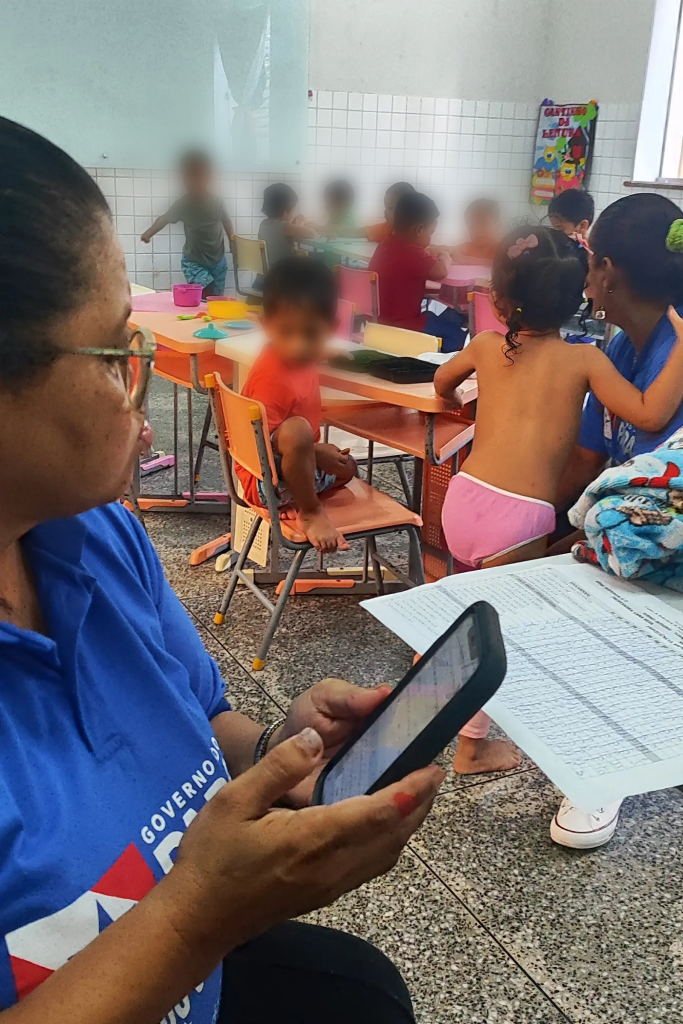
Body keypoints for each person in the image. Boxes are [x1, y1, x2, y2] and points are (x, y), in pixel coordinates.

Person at [0, 116, 445, 1024]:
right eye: (115, 354)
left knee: (362, 996)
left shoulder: (96, 536)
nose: (140, 387)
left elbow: (201, 717)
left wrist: (283, 751)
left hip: (197, 969)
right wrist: (196, 917)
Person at [434, 224, 683, 774]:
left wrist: (455, 398)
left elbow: (442, 382)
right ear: (578, 301)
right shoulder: (584, 361)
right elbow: (650, 414)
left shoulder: (484, 346)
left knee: (464, 607)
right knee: (496, 631)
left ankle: (424, 694)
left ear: (498, 297)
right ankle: (471, 747)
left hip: (463, 499)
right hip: (518, 519)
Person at [549, 192, 683, 848]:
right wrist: (532, 525)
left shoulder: (674, 359)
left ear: (607, 271)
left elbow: (660, 505)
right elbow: (587, 459)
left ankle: (606, 764)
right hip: (632, 530)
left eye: (589, 260)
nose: (584, 275)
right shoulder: (623, 348)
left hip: (666, 538)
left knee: (611, 596)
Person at [234, 258, 357, 553]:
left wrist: (323, 352)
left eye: (311, 334)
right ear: (266, 326)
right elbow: (257, 444)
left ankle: (299, 493)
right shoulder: (272, 376)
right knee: (297, 431)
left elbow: (302, 345)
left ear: (331, 328)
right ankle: (311, 512)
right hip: (264, 478)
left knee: (349, 467)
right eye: (286, 332)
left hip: (292, 466)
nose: (298, 346)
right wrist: (316, 452)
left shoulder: (298, 353)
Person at [369, 191, 466, 351]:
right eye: (431, 232)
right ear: (419, 230)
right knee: (457, 335)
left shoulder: (385, 245)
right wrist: (445, 255)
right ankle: (437, 362)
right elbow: (441, 271)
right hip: (404, 325)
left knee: (437, 317)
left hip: (379, 323)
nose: (431, 238)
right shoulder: (411, 252)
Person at [140, 150, 233, 296]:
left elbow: (226, 221)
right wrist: (148, 233)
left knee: (216, 297)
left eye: (197, 175)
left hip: (218, 260)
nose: (192, 180)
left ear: (208, 177)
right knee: (204, 291)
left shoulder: (217, 202)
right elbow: (164, 218)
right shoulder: (183, 204)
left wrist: (233, 241)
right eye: (187, 176)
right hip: (194, 261)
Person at [258, 182, 315, 268]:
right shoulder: (285, 226)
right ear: (285, 212)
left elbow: (280, 235)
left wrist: (294, 224)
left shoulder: (263, 224)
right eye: (293, 210)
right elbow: (311, 233)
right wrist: (312, 226)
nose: (293, 214)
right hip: (283, 272)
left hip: (268, 272)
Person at [344, 181, 415, 242]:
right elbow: (359, 232)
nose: (385, 212)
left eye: (390, 208)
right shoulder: (386, 229)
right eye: (385, 207)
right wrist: (339, 232)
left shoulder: (417, 234)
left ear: (407, 210)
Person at [447, 197, 502, 265]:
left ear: (497, 226)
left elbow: (504, 264)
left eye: (484, 224)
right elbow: (448, 250)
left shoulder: (503, 248)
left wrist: (466, 260)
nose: (477, 230)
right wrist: (453, 254)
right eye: (472, 226)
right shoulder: (468, 247)